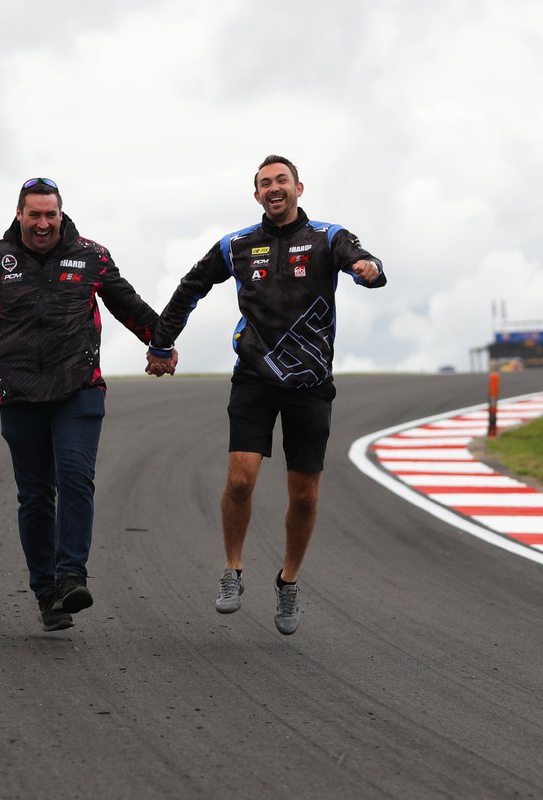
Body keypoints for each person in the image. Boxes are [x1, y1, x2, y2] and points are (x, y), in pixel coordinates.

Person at [0, 178, 170, 632]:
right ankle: (47, 593)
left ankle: (71, 577)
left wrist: (160, 344)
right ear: (20, 215)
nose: (43, 223)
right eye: (35, 215)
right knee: (34, 496)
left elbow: (129, 305)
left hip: (78, 387)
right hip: (20, 391)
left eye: (51, 215)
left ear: (61, 214)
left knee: (76, 479)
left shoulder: (92, 255)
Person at [146, 155, 385, 635]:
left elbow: (364, 260)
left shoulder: (328, 237)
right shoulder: (236, 245)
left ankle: (288, 580)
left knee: (305, 495)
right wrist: (162, 342)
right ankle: (232, 569)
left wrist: (368, 269)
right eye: (264, 183)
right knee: (240, 480)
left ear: (299, 188)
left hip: (310, 385)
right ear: (256, 195)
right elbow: (191, 287)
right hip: (253, 378)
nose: (274, 188)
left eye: (282, 180)